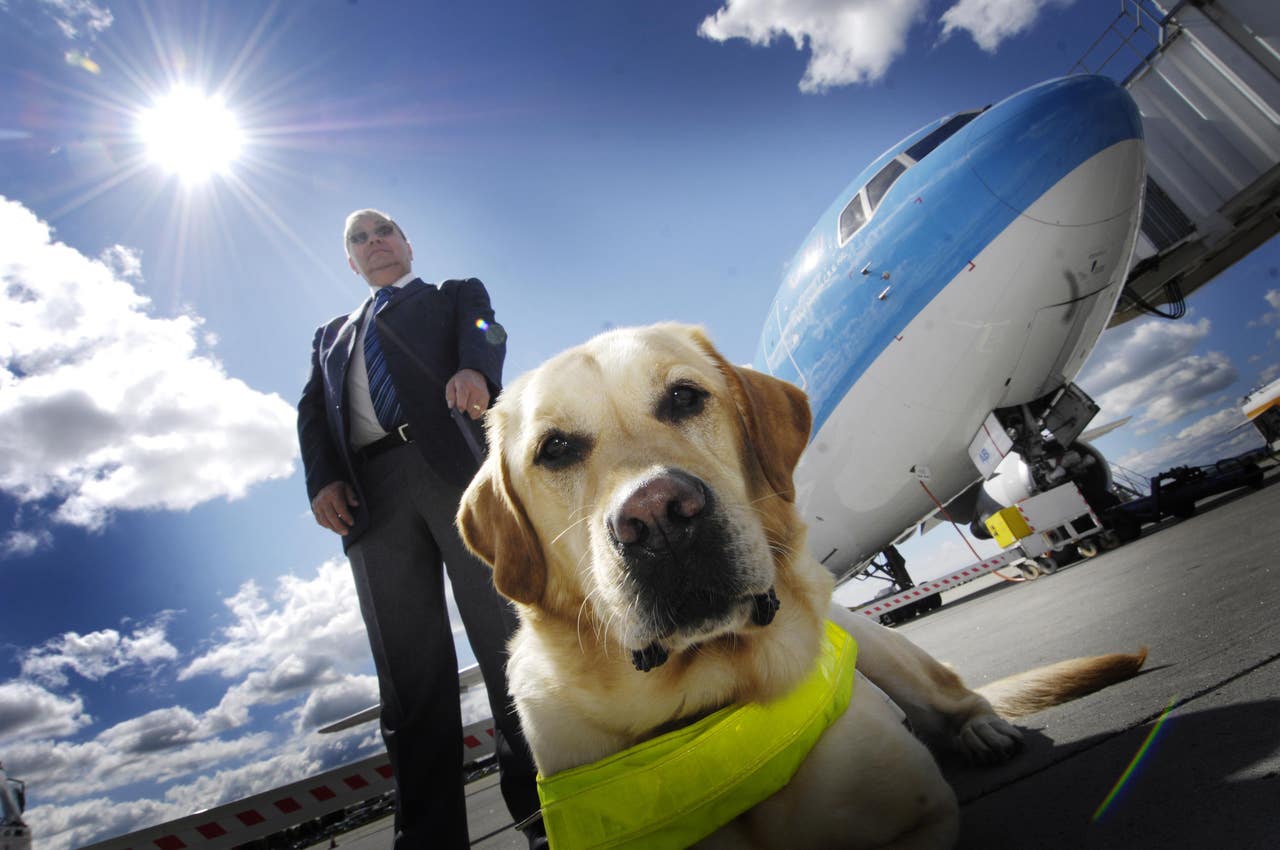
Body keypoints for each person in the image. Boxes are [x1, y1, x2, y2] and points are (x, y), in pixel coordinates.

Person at [297, 209, 543, 849]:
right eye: (358, 239)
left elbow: (488, 328)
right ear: (351, 263)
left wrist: (476, 370)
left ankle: (547, 811)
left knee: (507, 641)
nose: (373, 243)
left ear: (407, 244)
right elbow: (311, 413)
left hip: (456, 474)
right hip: (369, 503)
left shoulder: (456, 296)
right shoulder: (329, 336)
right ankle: (429, 840)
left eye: (383, 232)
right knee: (408, 680)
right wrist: (322, 479)